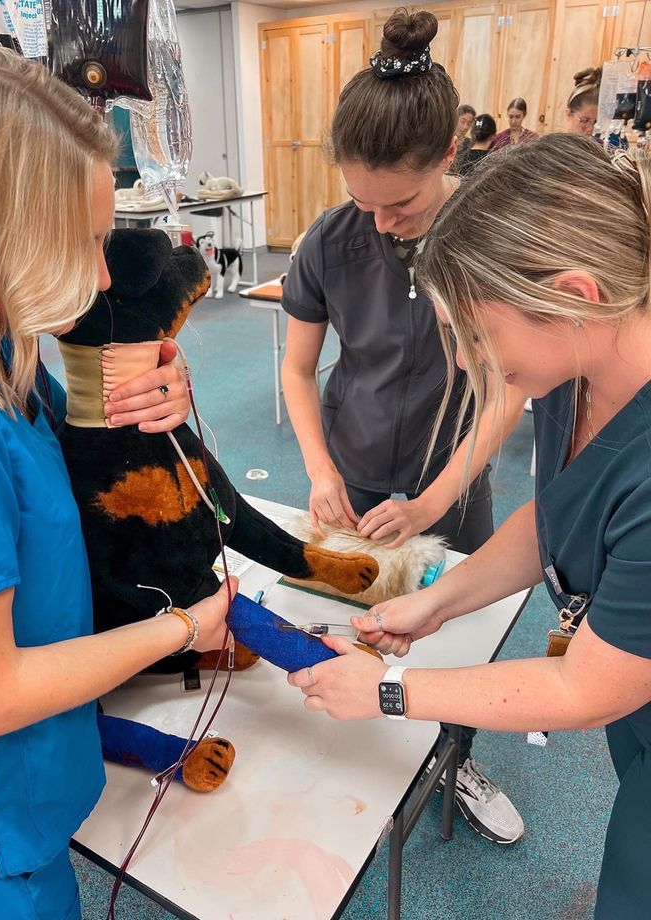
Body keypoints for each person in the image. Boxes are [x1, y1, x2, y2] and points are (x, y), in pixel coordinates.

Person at [289, 133, 651, 918]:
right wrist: (435, 600)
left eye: (477, 337)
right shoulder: (577, 368)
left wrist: (388, 691)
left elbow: (584, 686)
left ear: (575, 296)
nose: (462, 363)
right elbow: (551, 517)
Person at [0, 41, 233, 919]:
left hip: (31, 796)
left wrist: (162, 391)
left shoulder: (0, 355)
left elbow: (85, 444)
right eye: (84, 241)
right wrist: (181, 629)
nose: (100, 276)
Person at [281, 8, 525, 843]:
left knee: (455, 639)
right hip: (351, 467)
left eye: (403, 202)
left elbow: (506, 391)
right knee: (351, 620)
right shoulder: (330, 241)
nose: (381, 222)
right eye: (362, 201)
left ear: (450, 153)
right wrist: (319, 469)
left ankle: (456, 759)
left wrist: (432, 504)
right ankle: (352, 757)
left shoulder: (489, 239)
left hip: (451, 479)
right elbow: (294, 368)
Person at [565, 67, 601, 136]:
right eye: (585, 121)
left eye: (596, 123)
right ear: (568, 114)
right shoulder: (551, 145)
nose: (591, 129)